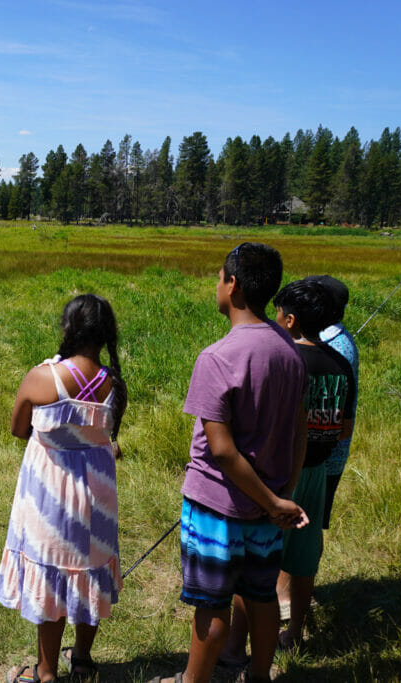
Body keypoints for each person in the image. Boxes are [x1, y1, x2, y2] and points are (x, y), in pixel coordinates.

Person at [154, 243, 309, 683]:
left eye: (219, 276)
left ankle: (192, 681)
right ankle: (258, 676)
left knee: (212, 602)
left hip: (217, 506)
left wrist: (271, 500)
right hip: (269, 508)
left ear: (233, 285)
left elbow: (220, 450)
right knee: (261, 596)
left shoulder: (217, 357)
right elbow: (300, 432)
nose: (216, 284)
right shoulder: (290, 352)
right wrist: (281, 498)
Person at [0, 294, 128, 683]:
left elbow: (19, 429)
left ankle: (47, 672)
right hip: (98, 495)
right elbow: (106, 435)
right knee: (91, 574)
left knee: (52, 577)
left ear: (68, 328)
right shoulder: (113, 384)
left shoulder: (43, 377)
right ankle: (83, 659)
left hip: (50, 494)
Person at [271, 279, 356, 649]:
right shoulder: (341, 362)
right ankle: (295, 632)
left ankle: (260, 635)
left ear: (290, 320)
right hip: (319, 473)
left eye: (277, 313)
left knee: (266, 557)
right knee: (305, 562)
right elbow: (343, 430)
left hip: (283, 475)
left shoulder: (289, 361)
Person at [305, 275, 359, 531]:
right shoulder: (340, 337)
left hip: (320, 456)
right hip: (330, 452)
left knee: (308, 527)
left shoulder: (329, 344)